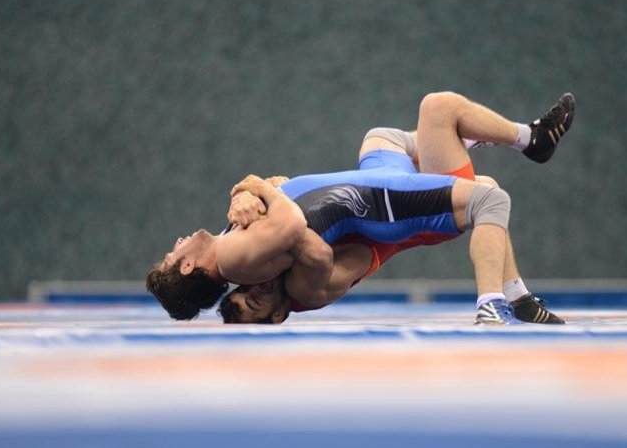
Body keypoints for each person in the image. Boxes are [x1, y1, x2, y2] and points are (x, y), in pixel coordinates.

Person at [146, 91, 575, 325]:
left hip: (371, 184)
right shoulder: (280, 281)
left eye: (246, 295)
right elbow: (298, 233)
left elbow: (283, 213)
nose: (176, 243)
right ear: (187, 267)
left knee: (395, 129)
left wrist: (256, 194)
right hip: (378, 202)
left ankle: (514, 140)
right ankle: (494, 304)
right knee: (488, 195)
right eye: (172, 254)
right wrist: (258, 188)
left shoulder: (235, 251)